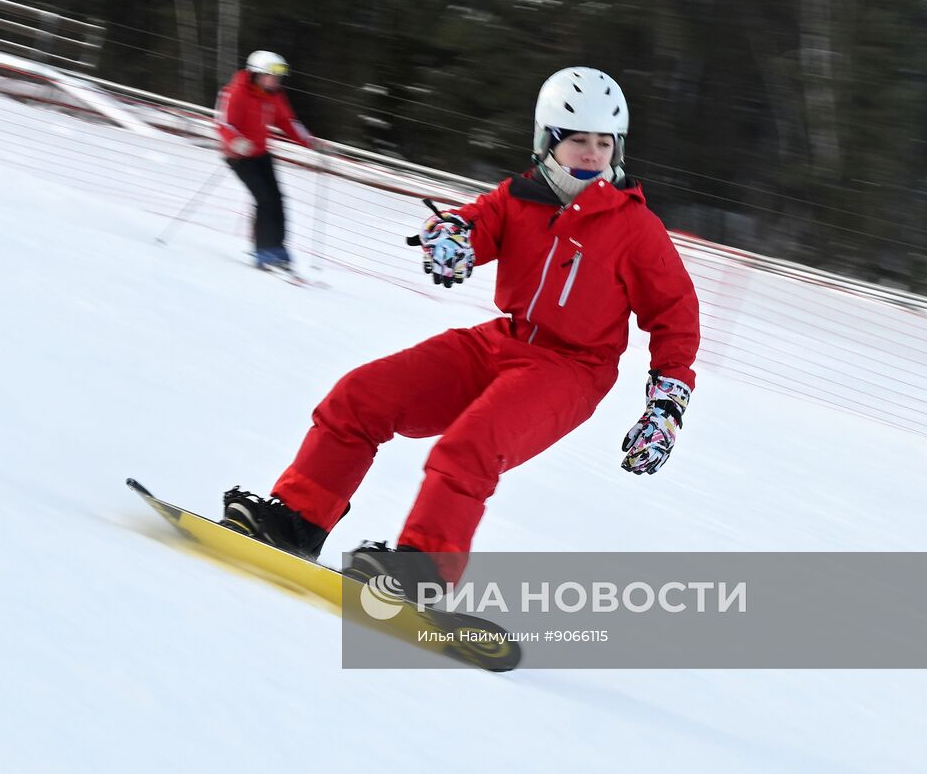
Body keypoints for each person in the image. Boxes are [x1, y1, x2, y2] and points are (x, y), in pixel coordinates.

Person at [221, 67, 701, 595]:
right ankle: (295, 520)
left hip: (572, 370)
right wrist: (451, 235)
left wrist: (666, 406)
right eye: (578, 141)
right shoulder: (521, 196)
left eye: (603, 143)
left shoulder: (635, 227)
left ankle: (423, 570)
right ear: (548, 142)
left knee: (468, 448)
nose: (591, 154)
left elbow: (674, 314)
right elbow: (474, 224)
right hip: (502, 343)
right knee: (361, 396)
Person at [214, 50, 318, 272]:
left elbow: (288, 121)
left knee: (278, 199)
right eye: (272, 75)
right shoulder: (236, 92)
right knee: (264, 199)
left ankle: (278, 249)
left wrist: (311, 142)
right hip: (239, 156)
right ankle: (263, 251)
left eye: (279, 77)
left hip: (260, 154)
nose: (276, 80)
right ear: (257, 74)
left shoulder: (274, 95)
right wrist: (237, 142)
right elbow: (223, 124)